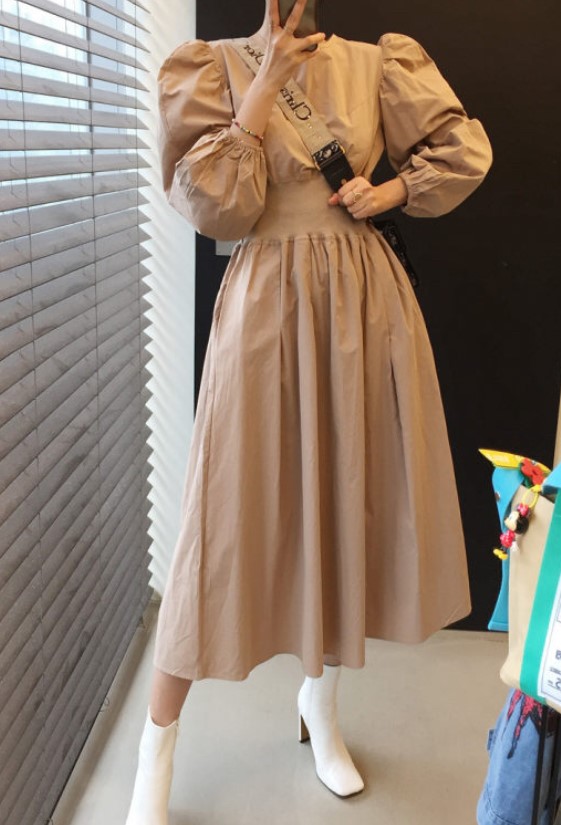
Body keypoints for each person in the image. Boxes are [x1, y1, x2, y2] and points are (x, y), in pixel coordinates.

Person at [125, 1, 493, 822]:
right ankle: (156, 744)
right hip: (264, 310)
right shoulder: (210, 66)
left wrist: (388, 188)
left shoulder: (375, 63)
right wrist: (265, 85)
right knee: (220, 522)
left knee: (342, 502)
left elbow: (461, 149)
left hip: (363, 308)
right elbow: (215, 208)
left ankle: (319, 707)